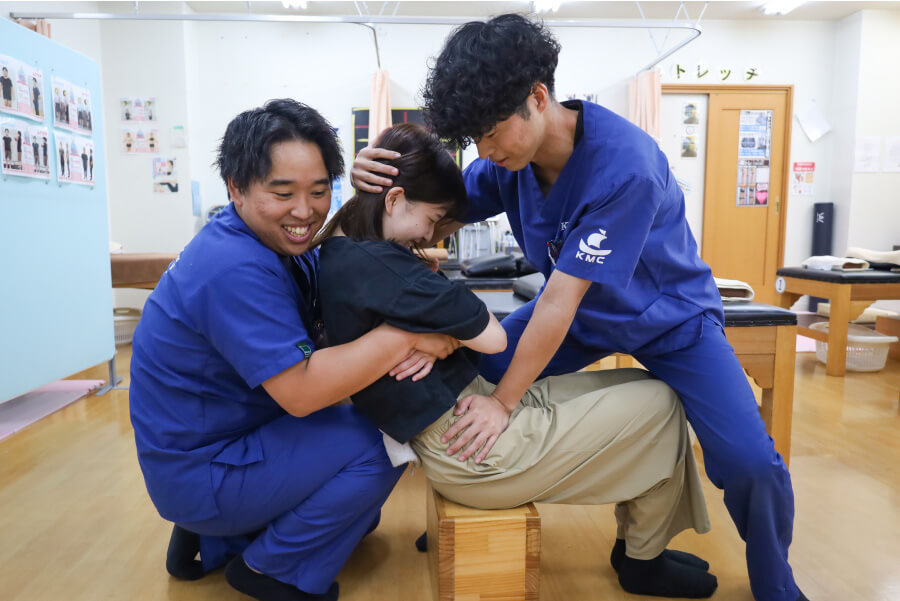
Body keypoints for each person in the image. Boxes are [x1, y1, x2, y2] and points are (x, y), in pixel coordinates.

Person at [352, 14, 806, 601]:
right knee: (471, 369)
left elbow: (559, 302)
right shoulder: (506, 162)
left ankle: (777, 584)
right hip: (587, 319)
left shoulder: (626, 167)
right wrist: (377, 176)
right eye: (476, 141)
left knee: (750, 463)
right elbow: (443, 214)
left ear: (537, 99)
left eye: (491, 133)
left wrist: (504, 404)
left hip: (671, 322)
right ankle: (461, 506)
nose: (485, 151)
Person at [319, 123, 716, 598]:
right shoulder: (388, 266)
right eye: (432, 219)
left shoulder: (341, 248)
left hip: (460, 416)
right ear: (393, 199)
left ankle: (638, 546)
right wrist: (432, 335)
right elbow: (490, 336)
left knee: (644, 386)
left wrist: (423, 336)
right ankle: (641, 560)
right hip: (470, 451)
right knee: (661, 406)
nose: (432, 234)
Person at [128, 99, 468, 601]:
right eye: (282, 192)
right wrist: (409, 336)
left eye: (318, 191)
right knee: (386, 442)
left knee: (362, 513)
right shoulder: (234, 268)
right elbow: (304, 394)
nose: (304, 211)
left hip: (217, 440)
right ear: (236, 189)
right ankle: (272, 570)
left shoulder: (274, 246)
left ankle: (219, 537)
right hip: (204, 469)